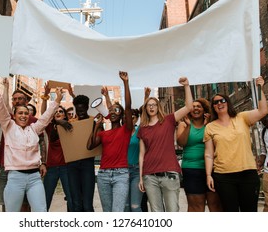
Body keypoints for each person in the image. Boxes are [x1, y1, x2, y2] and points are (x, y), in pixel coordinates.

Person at [0, 79, 64, 212]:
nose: (23, 116)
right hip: (15, 177)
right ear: (14, 116)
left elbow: (46, 116)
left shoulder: (34, 129)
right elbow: (1, 109)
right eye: (20, 113)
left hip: (35, 178)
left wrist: (57, 100)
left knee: (41, 211)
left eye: (26, 113)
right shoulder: (9, 126)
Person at [204, 76, 268, 212]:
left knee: (249, 212)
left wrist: (260, 87)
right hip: (223, 176)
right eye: (215, 103)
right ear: (213, 107)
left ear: (227, 103)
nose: (219, 104)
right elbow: (209, 154)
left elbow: (263, 111)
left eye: (222, 100)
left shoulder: (242, 117)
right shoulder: (210, 127)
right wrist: (209, 175)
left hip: (247, 173)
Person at [138, 77, 193, 212]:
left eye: (154, 104)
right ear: (145, 108)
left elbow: (188, 107)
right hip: (149, 176)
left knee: (172, 211)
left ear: (158, 106)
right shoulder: (143, 128)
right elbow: (141, 155)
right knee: (157, 213)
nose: (151, 107)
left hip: (169, 173)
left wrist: (186, 86)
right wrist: (141, 178)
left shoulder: (168, 120)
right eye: (148, 105)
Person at [87, 71, 133, 212]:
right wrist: (96, 125)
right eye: (111, 110)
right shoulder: (103, 133)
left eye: (116, 110)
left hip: (121, 175)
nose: (113, 112)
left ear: (121, 115)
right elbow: (89, 146)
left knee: (117, 212)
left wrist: (125, 82)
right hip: (103, 176)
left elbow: (128, 107)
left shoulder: (126, 129)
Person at [177, 98, 222, 212]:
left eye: (199, 106)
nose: (196, 108)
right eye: (193, 106)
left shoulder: (211, 125)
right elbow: (181, 143)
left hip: (213, 168)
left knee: (215, 205)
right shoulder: (183, 124)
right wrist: (188, 126)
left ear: (204, 110)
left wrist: (207, 126)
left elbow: (216, 143)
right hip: (191, 169)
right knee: (195, 207)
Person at [41, 81, 73, 211]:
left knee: (71, 198)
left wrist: (71, 93)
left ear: (65, 114)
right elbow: (43, 114)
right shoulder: (49, 127)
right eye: (56, 111)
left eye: (61, 111)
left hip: (67, 167)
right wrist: (46, 94)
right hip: (51, 167)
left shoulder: (72, 127)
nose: (58, 113)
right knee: (45, 198)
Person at [67, 94, 97, 212]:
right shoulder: (71, 122)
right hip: (72, 165)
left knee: (87, 205)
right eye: (78, 111)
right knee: (76, 204)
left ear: (87, 107)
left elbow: (100, 140)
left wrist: (98, 126)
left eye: (83, 110)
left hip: (87, 164)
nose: (81, 113)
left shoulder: (93, 121)